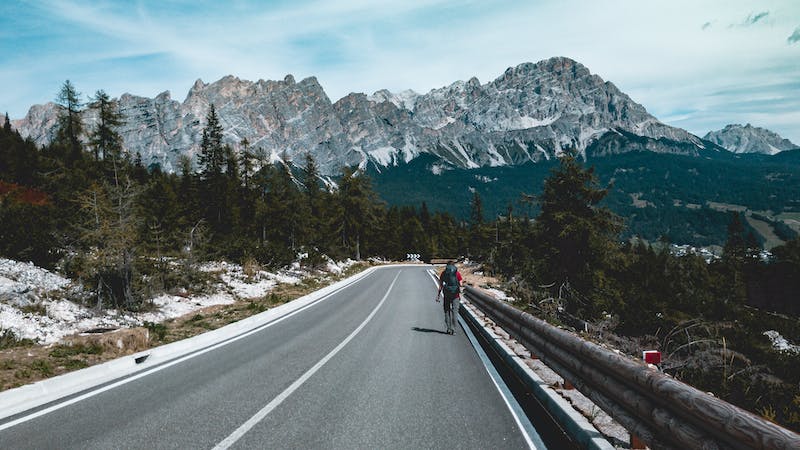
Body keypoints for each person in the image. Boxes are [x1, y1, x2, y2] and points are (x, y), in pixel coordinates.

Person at [436, 261, 463, 335]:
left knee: (447, 311)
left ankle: (448, 328)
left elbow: (441, 285)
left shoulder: (444, 273)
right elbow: (461, 284)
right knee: (455, 312)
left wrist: (438, 295)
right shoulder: (457, 273)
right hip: (455, 295)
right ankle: (454, 329)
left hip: (446, 294)